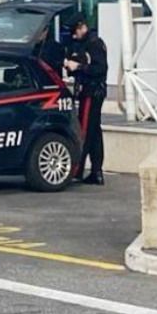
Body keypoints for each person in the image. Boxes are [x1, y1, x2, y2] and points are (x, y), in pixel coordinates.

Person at [64, 13, 108, 185]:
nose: (74, 36)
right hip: (88, 90)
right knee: (94, 131)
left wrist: (79, 66)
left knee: (85, 131)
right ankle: (96, 171)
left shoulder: (94, 44)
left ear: (82, 27)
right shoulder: (84, 44)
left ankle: (79, 168)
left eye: (76, 31)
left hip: (92, 91)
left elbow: (100, 69)